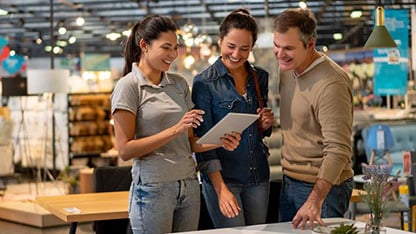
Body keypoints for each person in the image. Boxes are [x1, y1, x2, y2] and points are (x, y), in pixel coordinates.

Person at [111, 15, 241, 234]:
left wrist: (220, 140)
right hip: (153, 189)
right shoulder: (128, 86)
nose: (173, 55)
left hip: (189, 185)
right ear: (144, 45)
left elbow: (190, 142)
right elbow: (125, 150)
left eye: (176, 47)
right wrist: (175, 129)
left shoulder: (179, 84)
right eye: (166, 47)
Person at [192, 8, 274, 228]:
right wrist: (220, 189)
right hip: (224, 179)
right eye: (231, 46)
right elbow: (203, 144)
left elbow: (258, 129)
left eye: (244, 48)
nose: (237, 54)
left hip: (258, 176)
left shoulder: (260, 77)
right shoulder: (204, 83)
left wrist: (265, 125)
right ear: (220, 41)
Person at [273, 8, 354, 230]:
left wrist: (314, 200)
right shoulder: (288, 69)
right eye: (276, 46)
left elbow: (338, 150)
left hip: (322, 190)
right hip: (289, 181)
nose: (280, 54)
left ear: (310, 44)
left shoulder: (331, 84)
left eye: (288, 48)